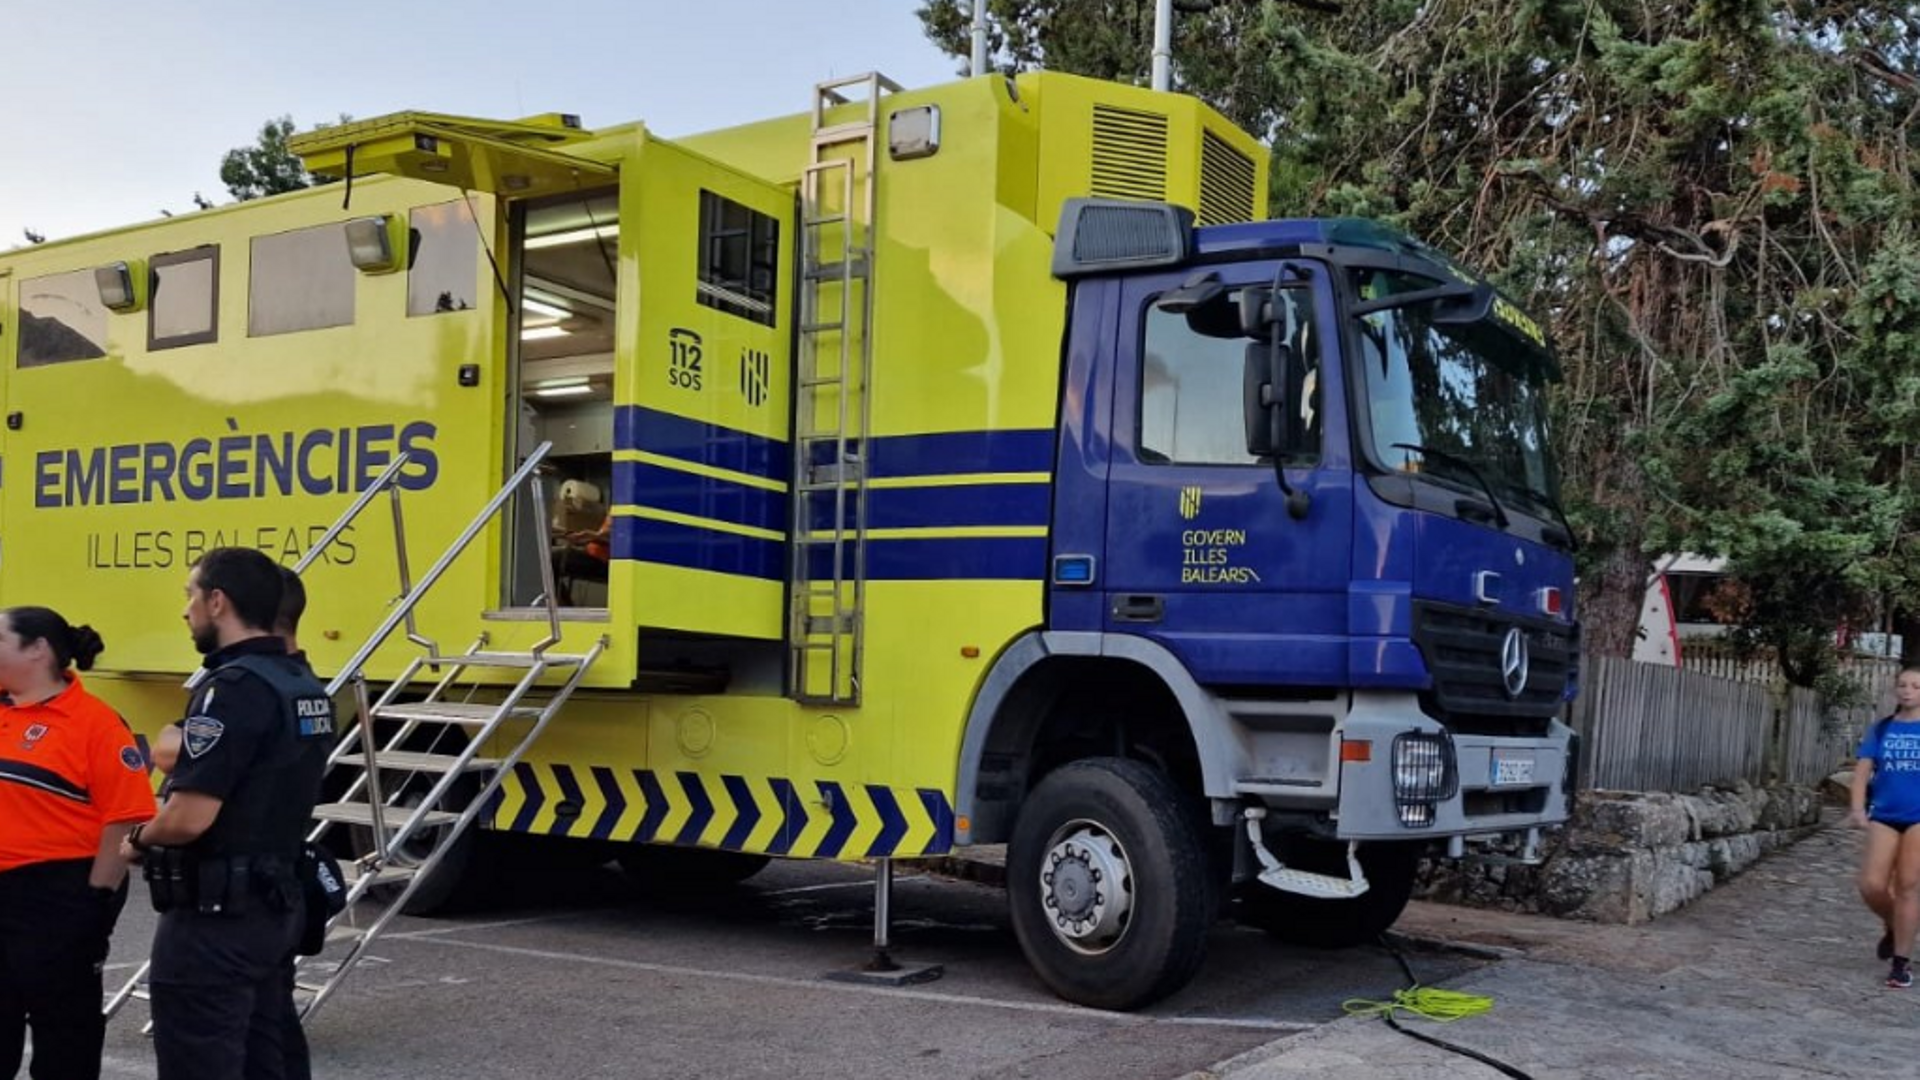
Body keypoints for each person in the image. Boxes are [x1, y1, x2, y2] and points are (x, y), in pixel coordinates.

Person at [121, 548, 335, 1080]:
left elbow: (189, 817)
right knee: (270, 1054)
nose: (186, 609)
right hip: (275, 902)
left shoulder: (233, 687)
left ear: (218, 602)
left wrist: (138, 838)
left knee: (201, 1055)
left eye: (191, 595)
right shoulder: (304, 686)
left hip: (216, 919)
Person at [0, 607, 155, 1080]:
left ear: (37, 650)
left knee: (65, 1035)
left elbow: (123, 818)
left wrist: (94, 899)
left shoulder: (96, 724)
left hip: (57, 892)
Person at [1850, 665, 1920, 989]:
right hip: (1884, 815)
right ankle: (1895, 925)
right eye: (1903, 685)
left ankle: (1901, 965)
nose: (1908, 690)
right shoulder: (1882, 729)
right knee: (1871, 884)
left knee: (1908, 885)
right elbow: (1863, 771)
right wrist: (1857, 808)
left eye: (1916, 686)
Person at [550, 513, 611, 605]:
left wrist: (594, 536)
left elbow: (620, 538)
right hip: (593, 551)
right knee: (549, 556)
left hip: (602, 560)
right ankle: (564, 606)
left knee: (548, 560)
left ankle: (564, 608)